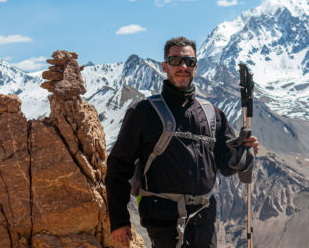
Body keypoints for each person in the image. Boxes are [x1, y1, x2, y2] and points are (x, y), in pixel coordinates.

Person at [106, 36, 259, 248]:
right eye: (176, 61)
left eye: (189, 62)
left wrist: (244, 152)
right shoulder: (143, 112)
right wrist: (119, 220)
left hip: (204, 220)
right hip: (162, 221)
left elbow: (225, 165)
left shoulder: (213, 115)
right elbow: (117, 167)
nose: (183, 67)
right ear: (165, 66)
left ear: (196, 67)